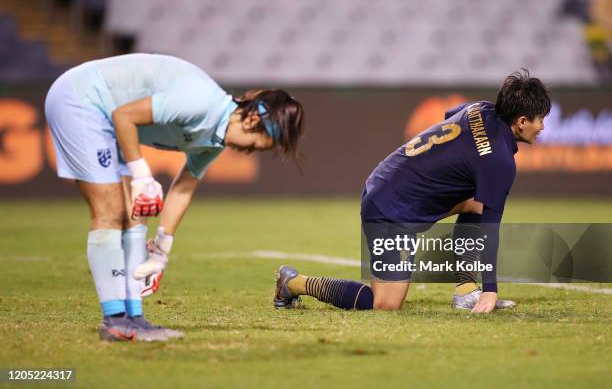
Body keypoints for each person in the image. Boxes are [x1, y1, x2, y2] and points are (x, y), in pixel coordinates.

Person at [45, 54, 305, 341]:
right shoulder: (201, 102)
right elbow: (124, 116)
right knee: (109, 211)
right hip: (81, 99)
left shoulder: (214, 139)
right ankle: (116, 321)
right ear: (252, 119)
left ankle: (134, 318)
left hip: (106, 114)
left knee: (135, 214)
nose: (250, 152)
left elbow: (183, 187)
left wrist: (161, 250)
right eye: (256, 145)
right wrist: (142, 175)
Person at [274, 69, 549, 314]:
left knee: (478, 202)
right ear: (522, 121)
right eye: (540, 119)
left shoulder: (480, 108)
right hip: (390, 208)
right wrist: (491, 288)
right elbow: (490, 229)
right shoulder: (499, 161)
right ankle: (294, 282)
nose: (543, 127)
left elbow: (449, 117)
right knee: (385, 303)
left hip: (388, 181)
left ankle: (466, 292)